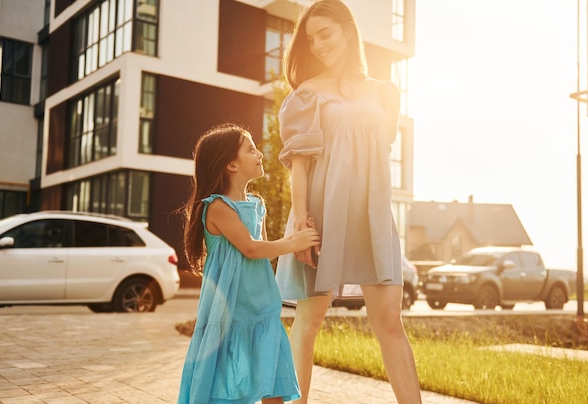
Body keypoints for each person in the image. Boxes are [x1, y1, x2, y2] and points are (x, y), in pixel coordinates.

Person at [275, 1, 423, 403]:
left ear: (347, 31)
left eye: (326, 33)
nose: (319, 45)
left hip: (372, 217)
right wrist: (303, 225)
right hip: (320, 216)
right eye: (311, 38)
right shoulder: (306, 95)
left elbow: (376, 153)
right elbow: (300, 166)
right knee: (308, 321)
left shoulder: (383, 94)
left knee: (390, 320)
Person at [178, 123, 321, 404]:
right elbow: (251, 248)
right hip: (232, 312)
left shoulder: (256, 205)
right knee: (228, 385)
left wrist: (296, 238)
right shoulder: (217, 207)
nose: (260, 154)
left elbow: (266, 251)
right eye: (251, 149)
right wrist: (294, 242)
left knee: (272, 382)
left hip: (261, 306)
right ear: (231, 163)